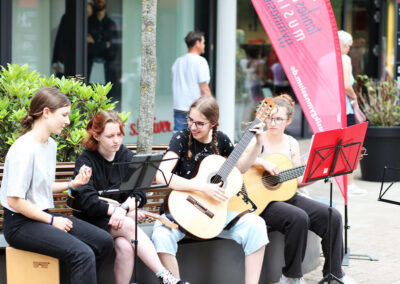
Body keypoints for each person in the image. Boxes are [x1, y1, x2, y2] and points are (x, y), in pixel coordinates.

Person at [0, 87, 114, 284]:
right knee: (82, 254)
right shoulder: (23, 149)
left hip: (41, 217)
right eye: (64, 115)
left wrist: (73, 183)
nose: (68, 121)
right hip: (20, 224)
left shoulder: (50, 145)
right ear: (46, 113)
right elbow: (15, 201)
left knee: (103, 241)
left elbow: (41, 186)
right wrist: (52, 221)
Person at [151, 95, 268, 284]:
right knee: (161, 235)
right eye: (190, 120)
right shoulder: (181, 138)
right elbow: (162, 175)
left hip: (214, 215)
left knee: (256, 226)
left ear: (213, 123)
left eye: (199, 123)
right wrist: (203, 187)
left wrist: (258, 144)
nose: (193, 126)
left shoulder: (221, 140)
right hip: (182, 211)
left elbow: (240, 168)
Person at [71, 110, 188, 284]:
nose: (116, 140)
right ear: (96, 135)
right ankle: (165, 276)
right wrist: (118, 211)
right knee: (128, 224)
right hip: (91, 221)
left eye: (119, 134)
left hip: (118, 219)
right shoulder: (86, 160)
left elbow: (139, 193)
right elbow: (88, 202)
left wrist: (124, 208)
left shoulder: (126, 155)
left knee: (126, 247)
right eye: (110, 136)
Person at [251, 94, 356, 284]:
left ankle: (334, 274)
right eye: (270, 117)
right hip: (261, 201)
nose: (272, 122)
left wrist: (316, 174)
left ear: (289, 121)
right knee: (298, 217)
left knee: (332, 216)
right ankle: (291, 276)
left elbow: (296, 180)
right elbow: (240, 162)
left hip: (287, 195)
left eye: (278, 119)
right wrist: (261, 162)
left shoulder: (291, 143)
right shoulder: (257, 138)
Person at [338, 30, 368, 197]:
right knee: (349, 146)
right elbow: (345, 84)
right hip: (344, 109)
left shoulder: (324, 58)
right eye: (348, 45)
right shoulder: (344, 59)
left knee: (324, 146)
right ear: (344, 45)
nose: (349, 48)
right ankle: (349, 185)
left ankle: (302, 184)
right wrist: (354, 96)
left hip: (328, 108)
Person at [172, 31, 211, 132]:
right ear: (197, 43)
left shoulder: (178, 61)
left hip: (179, 107)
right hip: (195, 108)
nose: (204, 45)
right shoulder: (201, 61)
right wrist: (211, 106)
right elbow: (204, 88)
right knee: (196, 140)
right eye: (203, 42)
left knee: (178, 139)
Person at [88, 0, 118, 99]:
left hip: (107, 70)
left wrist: (95, 44)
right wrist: (105, 45)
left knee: (106, 101)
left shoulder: (111, 24)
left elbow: (113, 53)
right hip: (89, 69)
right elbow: (87, 50)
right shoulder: (87, 23)